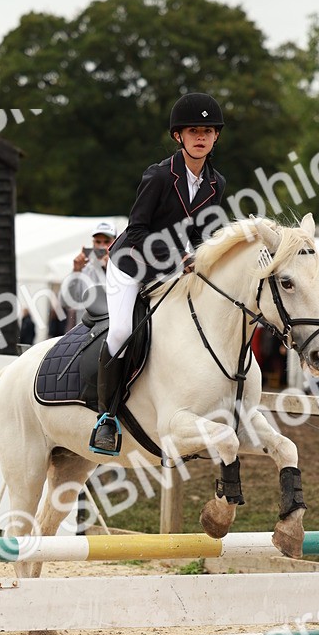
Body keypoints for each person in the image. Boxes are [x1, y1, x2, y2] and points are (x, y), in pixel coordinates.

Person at [90, 93, 227, 454]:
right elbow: (136, 230)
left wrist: (204, 256)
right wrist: (178, 256)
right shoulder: (159, 176)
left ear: (216, 137)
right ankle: (106, 417)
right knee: (122, 331)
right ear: (178, 136)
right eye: (193, 130)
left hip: (172, 268)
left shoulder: (216, 183)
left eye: (208, 131)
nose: (201, 137)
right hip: (131, 264)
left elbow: (202, 234)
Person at [60, 220, 116, 330]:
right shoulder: (84, 269)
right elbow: (65, 302)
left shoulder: (122, 267)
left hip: (112, 329)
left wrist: (111, 269)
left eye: (106, 241)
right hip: (85, 331)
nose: (102, 246)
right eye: (98, 242)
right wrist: (76, 272)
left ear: (115, 242)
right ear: (93, 243)